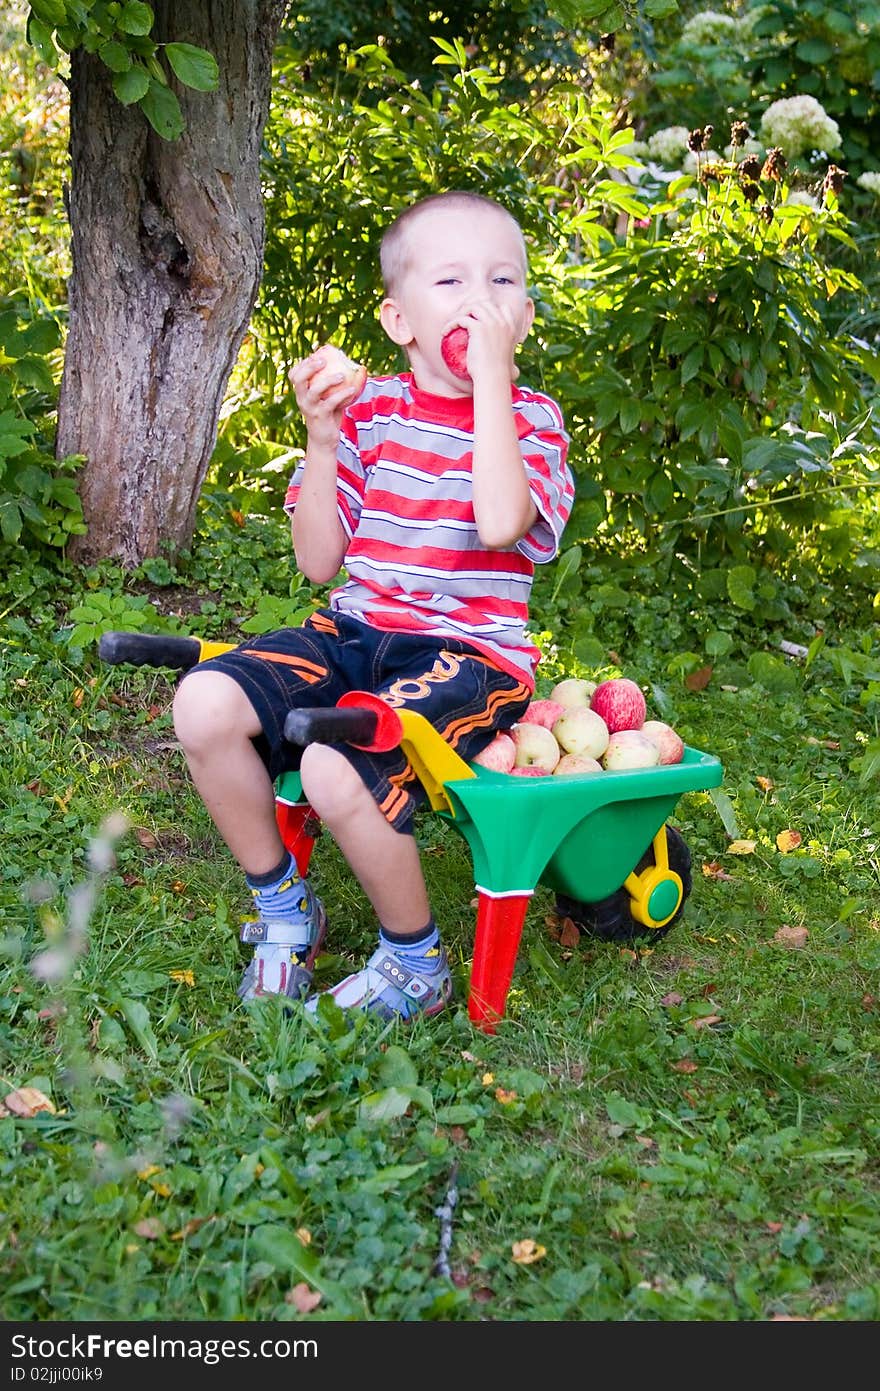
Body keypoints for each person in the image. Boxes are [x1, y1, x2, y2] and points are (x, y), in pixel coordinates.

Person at [172, 189, 573, 1021]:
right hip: (353, 630)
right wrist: (322, 438)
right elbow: (319, 560)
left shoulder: (533, 421)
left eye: (502, 283)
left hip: (470, 658)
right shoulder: (372, 413)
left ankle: (415, 961)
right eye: (452, 282)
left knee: (332, 758)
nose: (479, 302)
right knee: (203, 702)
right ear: (399, 322)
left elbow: (503, 522)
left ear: (525, 315)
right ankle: (284, 912)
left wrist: (493, 381)